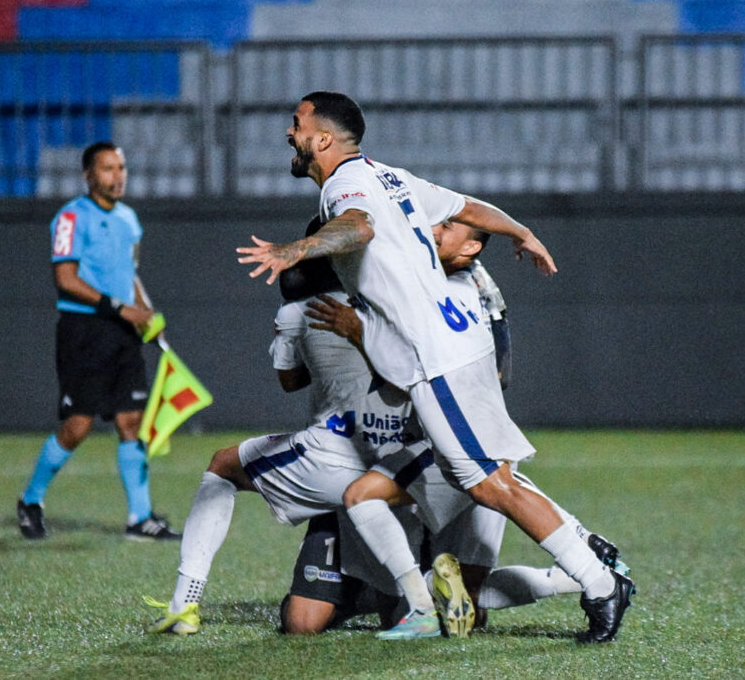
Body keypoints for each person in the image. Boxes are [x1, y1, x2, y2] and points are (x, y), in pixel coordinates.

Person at [236, 91, 634, 643]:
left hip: (437, 358)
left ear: (322, 138)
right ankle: (590, 562)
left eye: (296, 123)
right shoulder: (392, 176)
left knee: (489, 484)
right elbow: (468, 208)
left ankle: (597, 579)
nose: (289, 132)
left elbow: (357, 226)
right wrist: (521, 232)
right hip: (457, 341)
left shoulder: (344, 187)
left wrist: (298, 249)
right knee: (487, 480)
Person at [144, 219, 415, 635]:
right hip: (400, 466)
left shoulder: (298, 310)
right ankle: (385, 589)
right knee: (302, 622)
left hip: (334, 461)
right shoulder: (395, 300)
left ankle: (185, 603)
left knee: (222, 464)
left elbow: (289, 380)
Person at [16, 141, 180, 542]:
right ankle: (30, 500)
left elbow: (130, 275)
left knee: (131, 421)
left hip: (124, 333)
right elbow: (66, 279)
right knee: (78, 425)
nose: (117, 175)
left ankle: (140, 517)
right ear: (88, 175)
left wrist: (147, 314)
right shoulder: (71, 217)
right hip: (84, 332)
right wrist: (123, 309)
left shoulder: (129, 220)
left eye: (121, 167)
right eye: (107, 169)